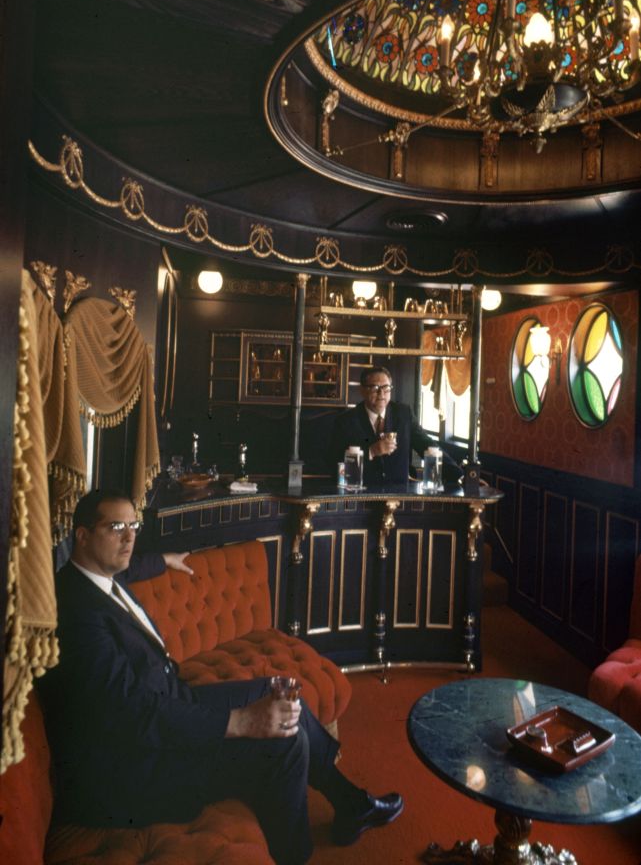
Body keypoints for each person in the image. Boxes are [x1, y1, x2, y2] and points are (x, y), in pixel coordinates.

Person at [38, 489, 403, 865]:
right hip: (136, 769)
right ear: (81, 535)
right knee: (284, 743)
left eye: (134, 525)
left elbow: (130, 564)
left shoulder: (94, 574)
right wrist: (242, 721)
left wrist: (163, 560)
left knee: (273, 689)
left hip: (169, 703)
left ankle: (349, 802)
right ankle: (295, 854)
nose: (130, 537)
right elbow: (133, 713)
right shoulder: (77, 614)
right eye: (116, 527)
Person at [329, 365, 461, 485]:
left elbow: (426, 444)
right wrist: (371, 451)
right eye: (375, 388)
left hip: (399, 494)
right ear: (362, 390)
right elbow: (335, 459)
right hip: (361, 495)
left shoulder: (403, 414)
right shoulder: (346, 420)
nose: (381, 394)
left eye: (386, 388)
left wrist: (459, 475)